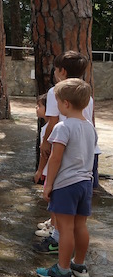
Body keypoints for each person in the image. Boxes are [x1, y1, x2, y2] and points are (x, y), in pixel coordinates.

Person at [35, 51, 99, 255]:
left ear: (65, 104)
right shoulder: (89, 123)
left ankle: (62, 266)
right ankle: (79, 265)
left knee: (64, 227)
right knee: (80, 226)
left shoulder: (61, 118)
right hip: (85, 179)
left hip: (66, 179)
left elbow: (55, 157)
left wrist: (49, 184)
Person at [33, 95, 55, 238]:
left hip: (50, 170)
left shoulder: (47, 129)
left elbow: (45, 153)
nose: (36, 108)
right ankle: (53, 222)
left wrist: (40, 170)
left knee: (53, 199)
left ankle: (53, 228)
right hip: (52, 170)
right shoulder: (48, 126)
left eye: (39, 106)